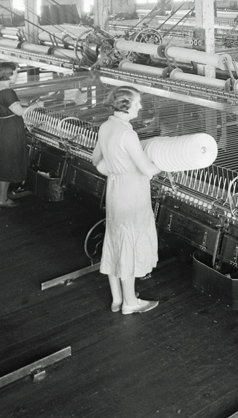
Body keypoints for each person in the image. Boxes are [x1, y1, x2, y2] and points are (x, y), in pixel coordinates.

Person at [92, 87, 162, 315]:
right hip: (132, 192)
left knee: (116, 240)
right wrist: (169, 160)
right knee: (129, 245)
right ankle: (130, 303)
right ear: (125, 105)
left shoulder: (106, 126)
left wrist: (117, 168)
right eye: (138, 102)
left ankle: (117, 299)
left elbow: (97, 162)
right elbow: (148, 170)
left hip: (115, 190)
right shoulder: (128, 134)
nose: (140, 106)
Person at [0, 62, 29, 209]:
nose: (17, 75)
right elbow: (19, 111)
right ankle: (2, 199)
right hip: (10, 130)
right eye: (16, 72)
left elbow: (4, 106)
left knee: (0, 162)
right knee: (7, 163)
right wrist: (36, 106)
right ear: (9, 74)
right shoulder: (8, 92)